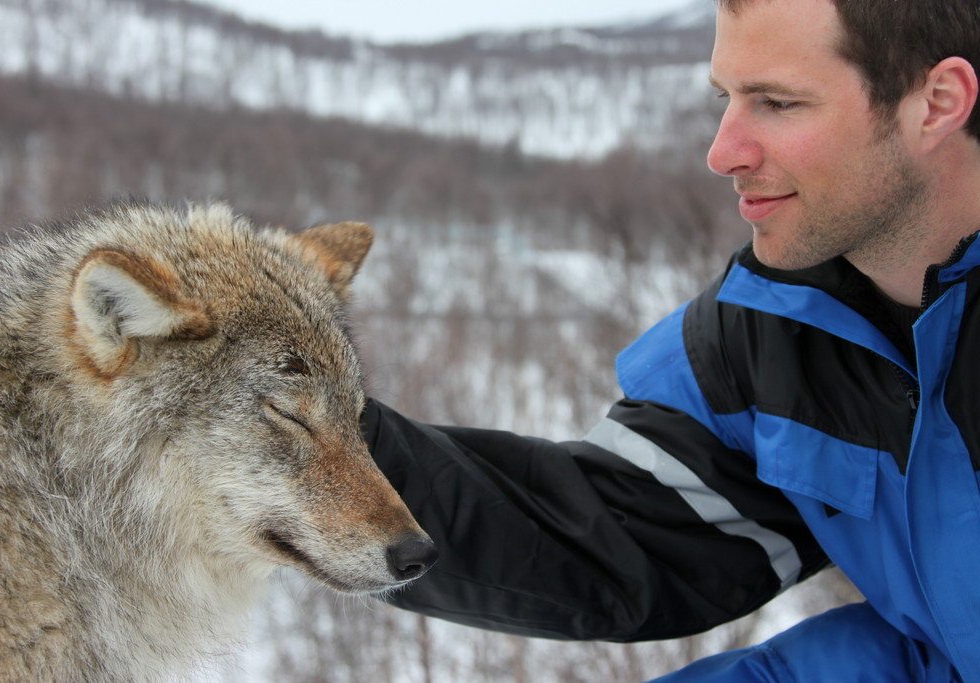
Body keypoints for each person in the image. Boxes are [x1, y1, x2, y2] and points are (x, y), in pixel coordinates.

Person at [360, 0, 980, 680]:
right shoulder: (781, 325)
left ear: (938, 102)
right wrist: (307, 448)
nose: (723, 152)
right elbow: (607, 533)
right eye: (728, 98)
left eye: (778, 102)